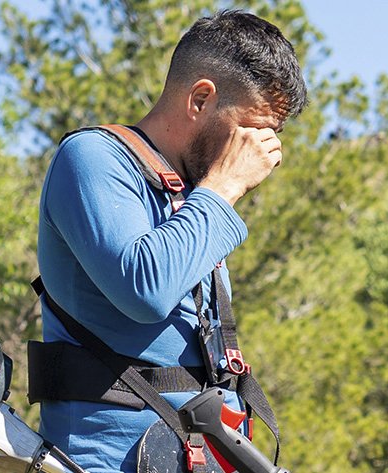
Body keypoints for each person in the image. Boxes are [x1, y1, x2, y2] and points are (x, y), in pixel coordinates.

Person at [34, 9, 307, 472]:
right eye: (254, 129)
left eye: (272, 136)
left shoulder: (190, 200)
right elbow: (144, 289)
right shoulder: (93, 158)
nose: (265, 155)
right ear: (201, 98)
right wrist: (223, 189)